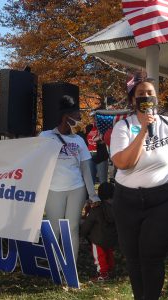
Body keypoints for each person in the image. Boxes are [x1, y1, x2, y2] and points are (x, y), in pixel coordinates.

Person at [110, 76, 168, 300]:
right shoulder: (123, 128)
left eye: (150, 93)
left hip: (164, 200)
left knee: (152, 255)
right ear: (132, 100)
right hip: (128, 202)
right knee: (133, 257)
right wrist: (144, 130)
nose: (146, 97)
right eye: (141, 94)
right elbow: (124, 163)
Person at [39, 95, 100, 260]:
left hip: (76, 188)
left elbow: (86, 169)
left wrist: (92, 195)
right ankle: (55, 264)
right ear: (66, 116)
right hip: (53, 189)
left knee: (72, 228)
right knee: (55, 228)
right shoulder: (45, 136)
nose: (80, 118)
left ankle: (70, 267)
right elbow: (34, 160)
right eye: (77, 115)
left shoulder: (79, 140)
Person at [81, 182, 117, 282]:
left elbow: (87, 224)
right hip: (112, 238)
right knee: (109, 253)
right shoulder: (117, 208)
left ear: (100, 194)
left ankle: (103, 273)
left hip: (98, 239)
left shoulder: (97, 209)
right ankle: (110, 270)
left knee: (99, 256)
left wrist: (82, 235)